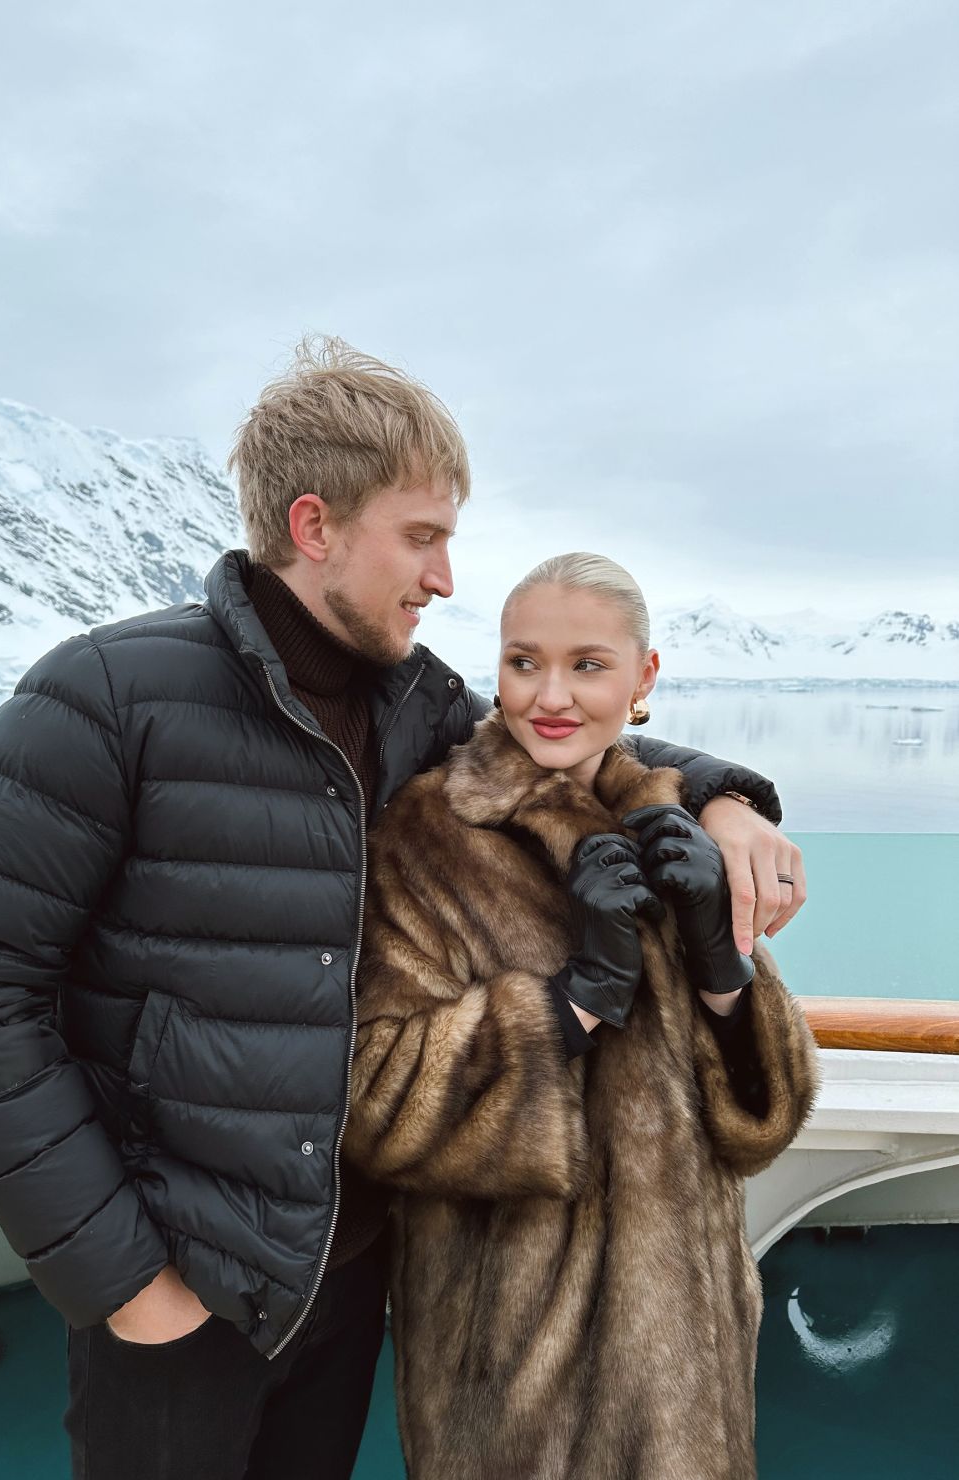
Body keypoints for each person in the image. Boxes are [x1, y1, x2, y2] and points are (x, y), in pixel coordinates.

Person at [0, 343, 803, 1480]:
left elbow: (565, 741)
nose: (446, 577)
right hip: (183, 1289)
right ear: (315, 526)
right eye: (422, 538)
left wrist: (724, 800)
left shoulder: (417, 705)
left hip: (349, 1275)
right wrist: (124, 1280)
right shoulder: (104, 698)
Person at [345, 551, 819, 1480]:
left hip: (691, 1356)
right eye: (524, 662)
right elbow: (377, 1100)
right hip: (517, 1374)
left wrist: (725, 970)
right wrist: (577, 1001)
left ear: (644, 679)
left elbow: (759, 1125)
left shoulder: (674, 821)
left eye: (587, 665)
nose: (549, 696)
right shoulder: (429, 834)